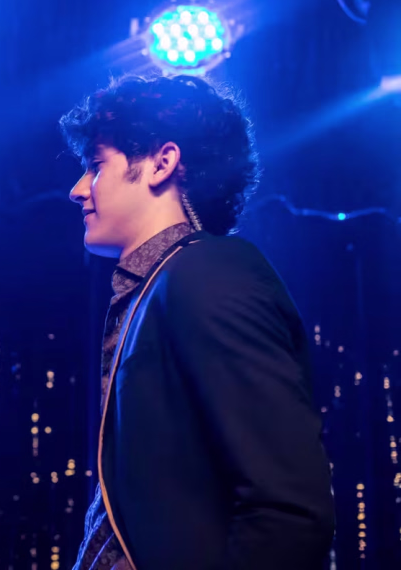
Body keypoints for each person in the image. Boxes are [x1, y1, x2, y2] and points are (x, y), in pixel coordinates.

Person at [59, 74, 335, 570]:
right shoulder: (165, 282)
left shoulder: (209, 270)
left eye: (96, 166)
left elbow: (289, 510)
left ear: (162, 162)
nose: (78, 190)